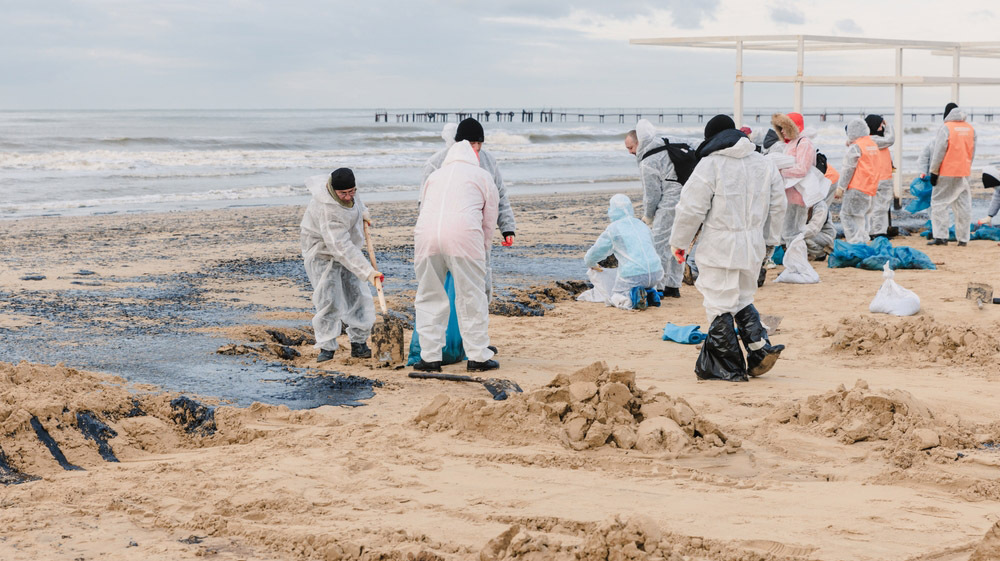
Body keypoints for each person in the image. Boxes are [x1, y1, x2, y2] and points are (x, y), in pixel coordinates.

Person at [669, 115, 786, 382]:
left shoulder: (711, 164)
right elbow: (778, 205)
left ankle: (728, 366)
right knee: (743, 297)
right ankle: (759, 349)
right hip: (752, 243)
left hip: (719, 244)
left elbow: (690, 208)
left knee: (718, 302)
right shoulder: (764, 163)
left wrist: (680, 243)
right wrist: (770, 239)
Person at [412, 140, 500, 373]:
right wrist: (483, 250)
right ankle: (478, 357)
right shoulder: (482, 176)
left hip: (426, 237)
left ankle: (430, 358)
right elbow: (489, 219)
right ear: (473, 156)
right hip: (464, 238)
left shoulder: (435, 176)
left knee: (429, 296)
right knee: (471, 296)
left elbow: (424, 207)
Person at [422, 117, 516, 299]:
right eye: (472, 143)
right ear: (460, 142)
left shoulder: (488, 162)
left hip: (477, 229)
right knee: (443, 279)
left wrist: (507, 228)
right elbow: (425, 201)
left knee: (479, 276)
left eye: (479, 143)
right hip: (443, 228)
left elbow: (500, 196)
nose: (477, 148)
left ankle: (480, 306)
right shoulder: (437, 162)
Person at [300, 168, 383, 362]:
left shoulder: (351, 192)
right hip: (323, 253)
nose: (348, 196)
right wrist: (368, 272)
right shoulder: (327, 209)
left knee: (358, 295)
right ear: (333, 190)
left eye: (351, 191)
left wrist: (363, 213)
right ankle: (327, 347)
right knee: (329, 300)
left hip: (348, 248)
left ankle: (359, 344)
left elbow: (357, 203)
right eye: (343, 193)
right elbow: (340, 247)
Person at [624, 120, 684, 298]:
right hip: (688, 197)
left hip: (670, 201)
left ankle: (658, 287)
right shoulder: (665, 143)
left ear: (639, 143)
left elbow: (651, 194)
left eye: (630, 148)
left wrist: (648, 216)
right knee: (679, 242)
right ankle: (674, 285)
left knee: (659, 244)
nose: (630, 152)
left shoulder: (647, 161)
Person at [583, 194, 664, 310]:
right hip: (657, 272)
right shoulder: (642, 225)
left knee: (616, 296)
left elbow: (596, 252)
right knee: (645, 281)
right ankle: (651, 293)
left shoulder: (613, 229)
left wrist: (591, 263)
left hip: (633, 275)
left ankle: (632, 299)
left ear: (613, 210)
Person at [928, 103, 977, 246]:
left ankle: (941, 237)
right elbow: (972, 152)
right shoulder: (970, 129)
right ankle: (963, 239)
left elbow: (939, 152)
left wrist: (934, 171)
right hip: (963, 172)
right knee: (963, 206)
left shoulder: (946, 128)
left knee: (939, 204)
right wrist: (967, 167)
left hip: (946, 172)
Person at [771, 112, 817, 245]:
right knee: (788, 231)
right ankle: (793, 256)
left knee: (794, 232)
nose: (782, 131)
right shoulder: (792, 143)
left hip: (798, 195)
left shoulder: (804, 143)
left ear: (793, 127)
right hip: (789, 193)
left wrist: (780, 172)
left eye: (784, 127)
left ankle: (797, 256)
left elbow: (802, 169)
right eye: (780, 128)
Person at [837, 119, 881, 245]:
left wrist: (841, 187)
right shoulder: (872, 144)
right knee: (863, 218)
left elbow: (848, 168)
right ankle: (863, 242)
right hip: (871, 188)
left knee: (847, 215)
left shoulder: (856, 147)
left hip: (857, 187)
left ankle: (855, 244)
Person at [863, 115, 896, 239]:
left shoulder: (868, 140)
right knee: (879, 207)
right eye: (879, 125)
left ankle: (877, 231)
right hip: (880, 178)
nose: (881, 128)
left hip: (878, 177)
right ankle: (878, 232)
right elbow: (890, 139)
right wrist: (888, 126)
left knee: (877, 207)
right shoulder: (874, 140)